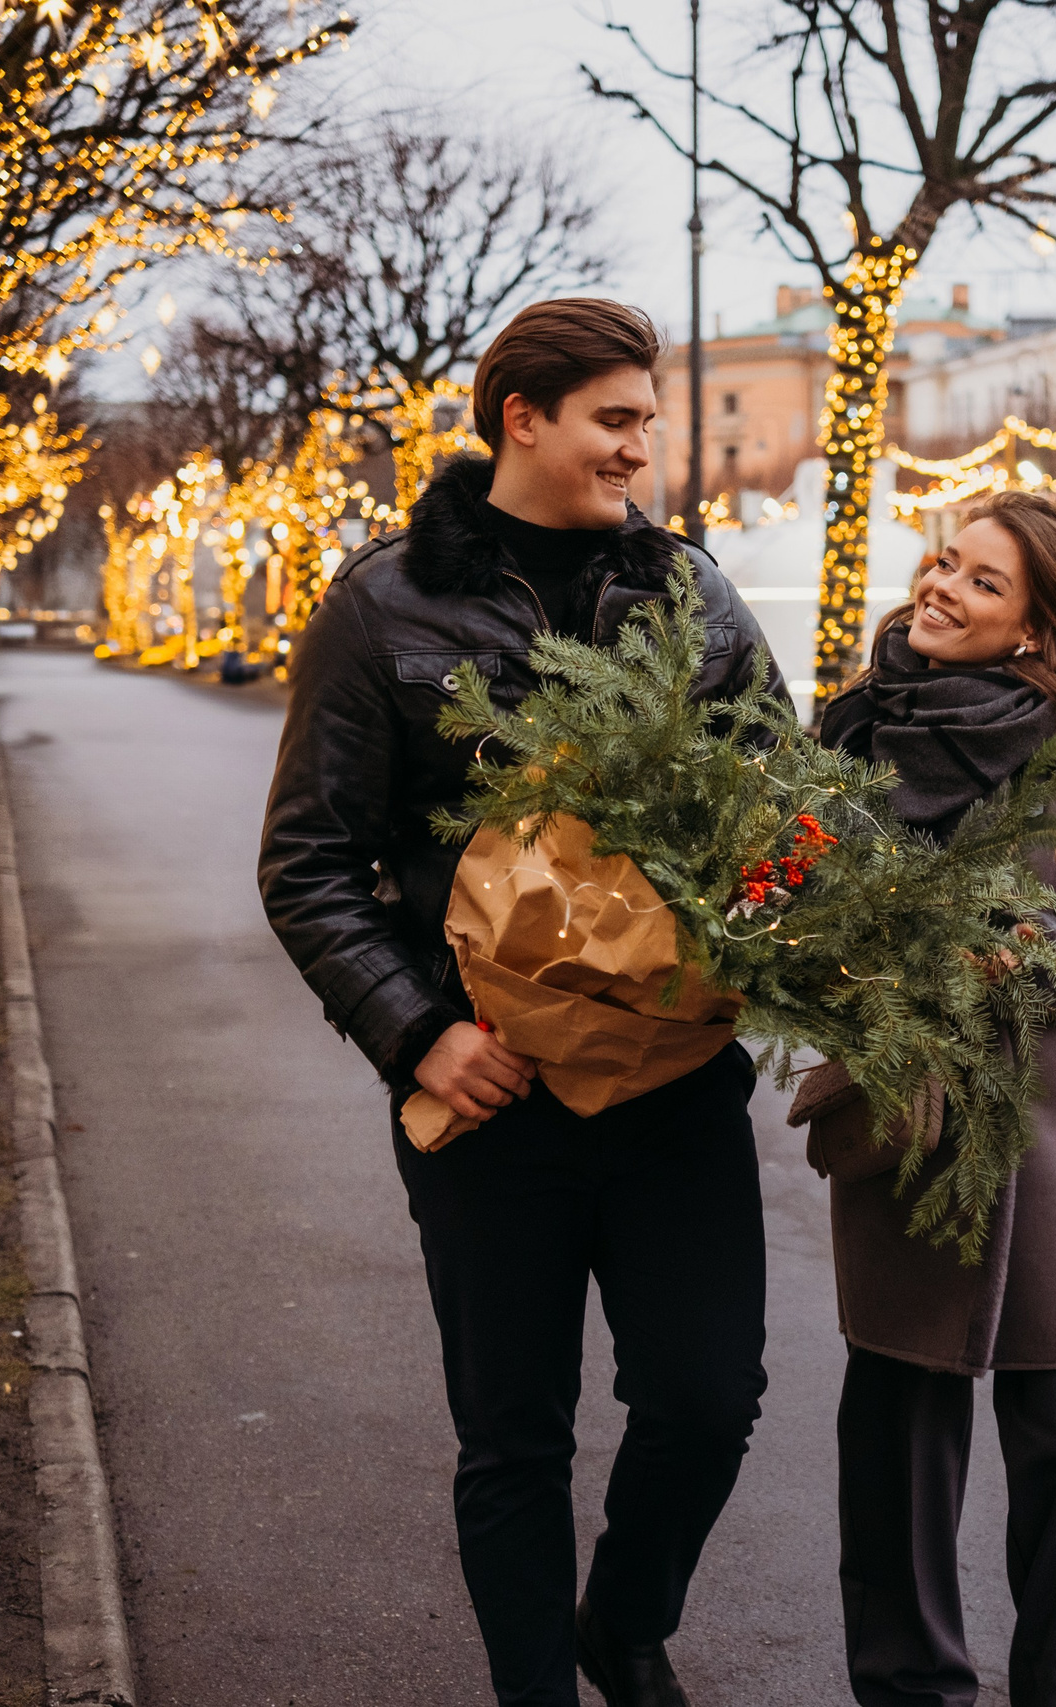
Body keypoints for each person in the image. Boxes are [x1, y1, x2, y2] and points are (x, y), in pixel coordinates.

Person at [259, 298, 783, 1707]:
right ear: (523, 417)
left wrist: (807, 905)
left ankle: (623, 1620)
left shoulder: (691, 594)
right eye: (618, 419)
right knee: (514, 1435)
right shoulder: (383, 605)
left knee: (705, 1397)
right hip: (490, 1096)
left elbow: (783, 807)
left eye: (648, 420)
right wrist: (420, 1032)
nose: (643, 447)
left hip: (674, 1086)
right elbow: (308, 863)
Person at [815, 490, 1056, 1707]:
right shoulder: (853, 737)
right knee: (897, 1449)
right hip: (908, 1126)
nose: (942, 588)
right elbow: (781, 900)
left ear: (1030, 628)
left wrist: (1025, 952)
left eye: (981, 581)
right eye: (943, 563)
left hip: (1052, 1138)